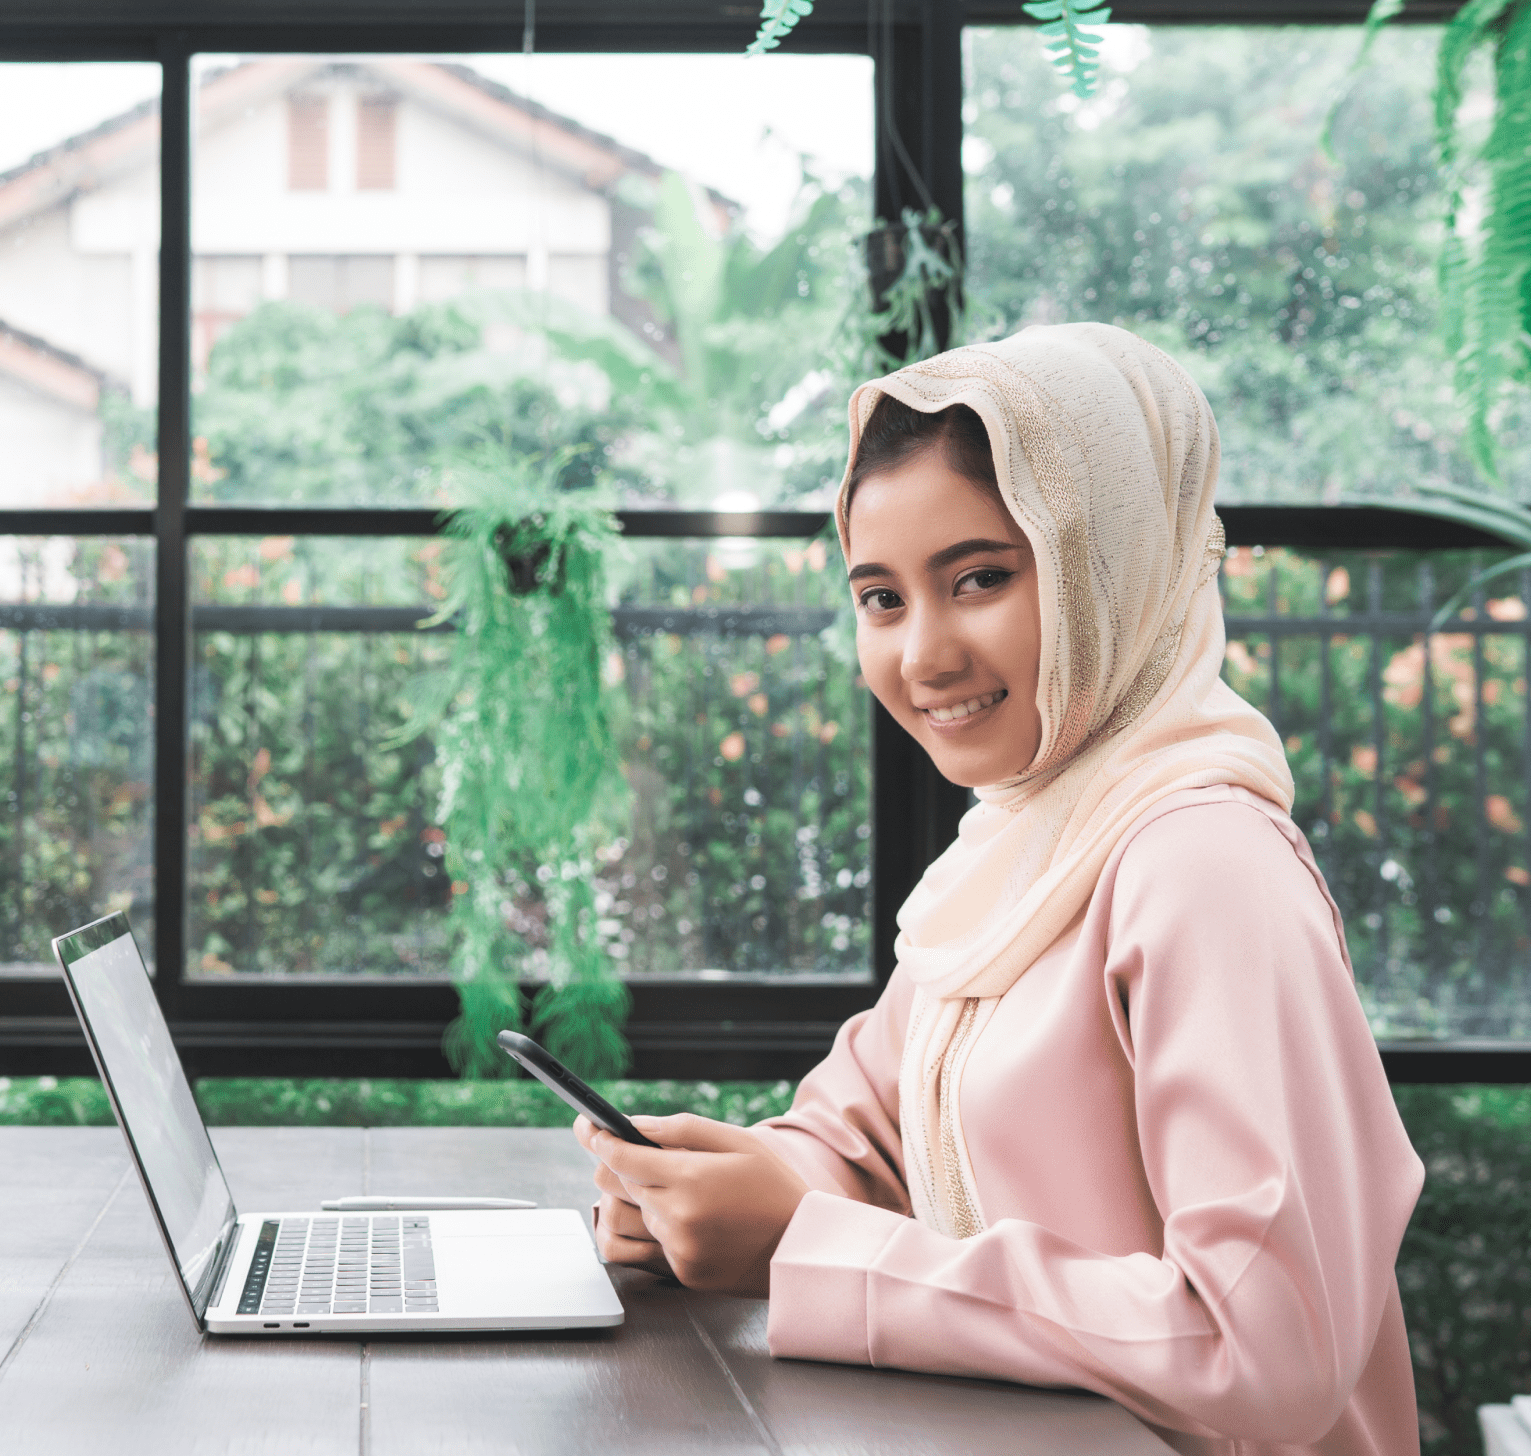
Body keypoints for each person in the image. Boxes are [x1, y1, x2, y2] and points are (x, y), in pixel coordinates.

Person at [575, 324, 1424, 1456]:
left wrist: (808, 1250)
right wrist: (715, 1193)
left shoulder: (1205, 866)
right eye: (881, 598)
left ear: (1113, 565)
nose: (923, 656)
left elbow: (1264, 1350)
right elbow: (866, 1138)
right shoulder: (1016, 851)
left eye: (979, 578)